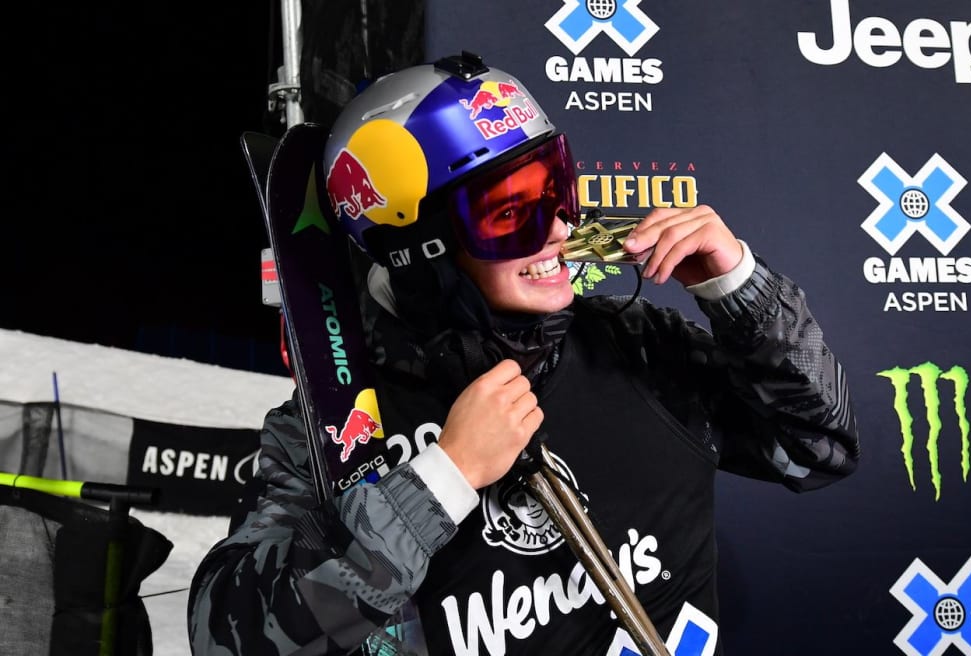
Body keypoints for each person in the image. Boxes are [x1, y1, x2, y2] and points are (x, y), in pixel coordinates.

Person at [188, 52, 859, 656]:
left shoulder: (637, 346)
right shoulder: (339, 425)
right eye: (510, 213)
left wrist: (738, 288)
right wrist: (440, 481)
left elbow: (817, 446)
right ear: (422, 251)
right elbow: (231, 639)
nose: (560, 230)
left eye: (554, 190)